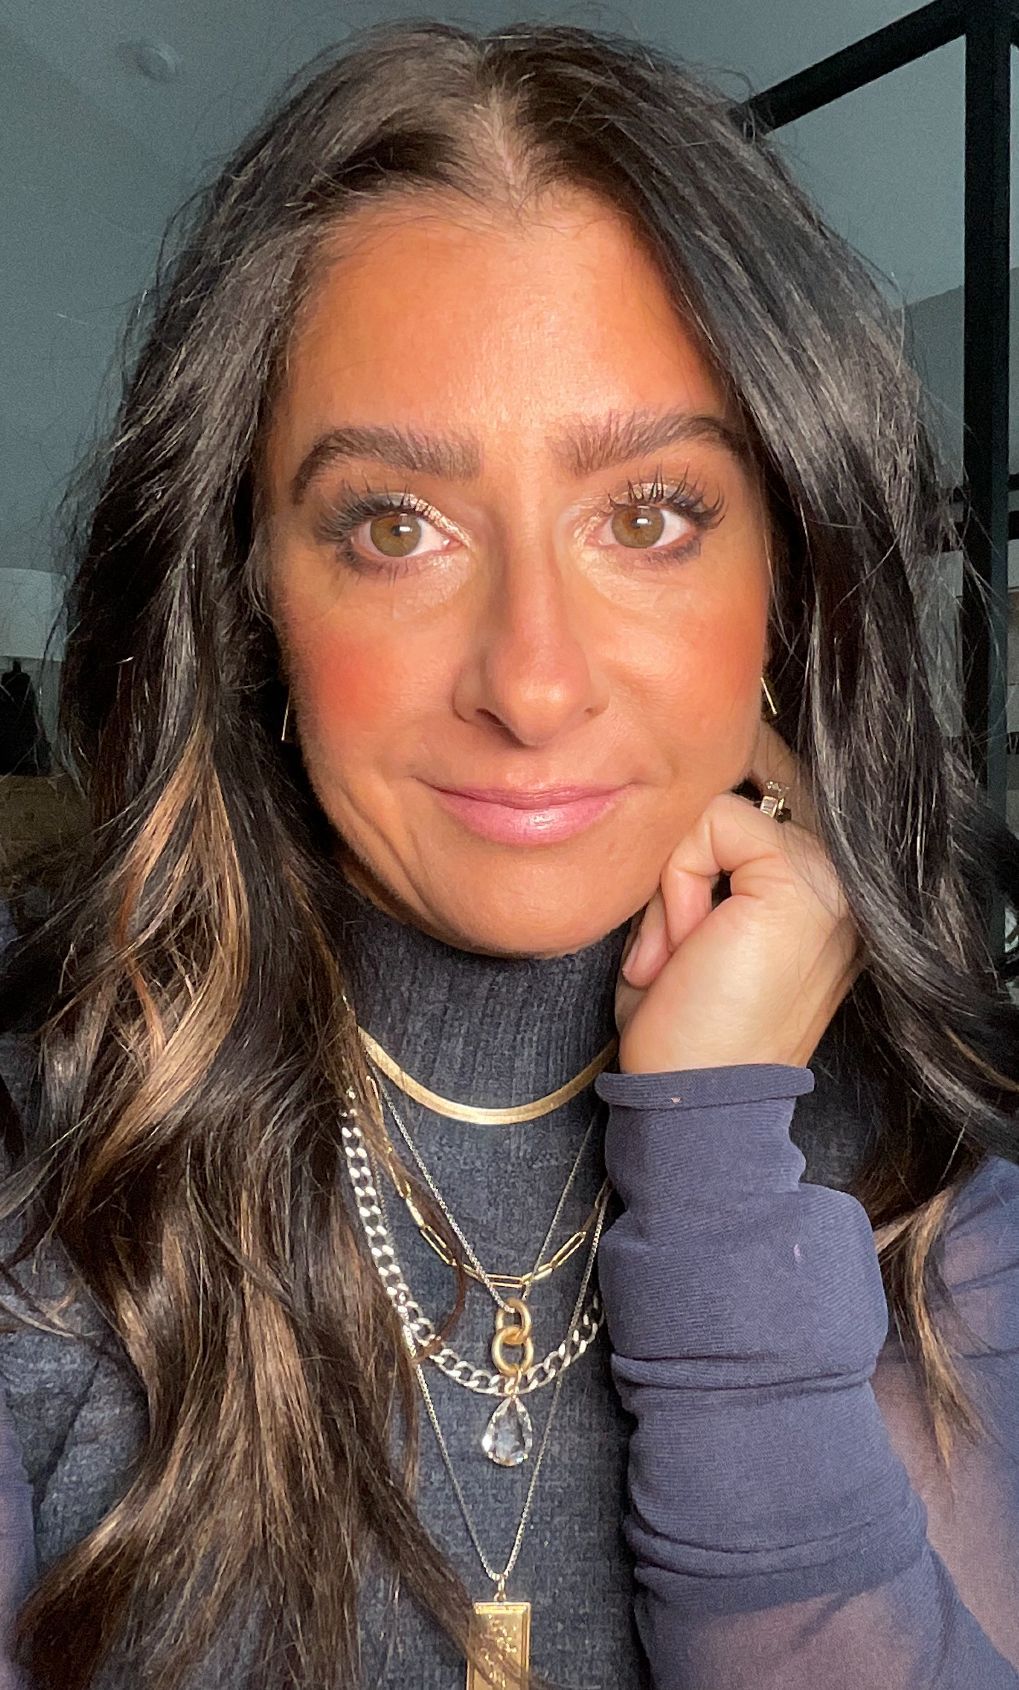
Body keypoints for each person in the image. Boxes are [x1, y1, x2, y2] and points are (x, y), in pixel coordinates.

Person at [0, 16, 1018, 1690]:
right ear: (254, 601)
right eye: (395, 525)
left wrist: (713, 1167)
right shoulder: (45, 1181)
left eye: (650, 513)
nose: (532, 681)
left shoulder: (936, 1193)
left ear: (784, 583)